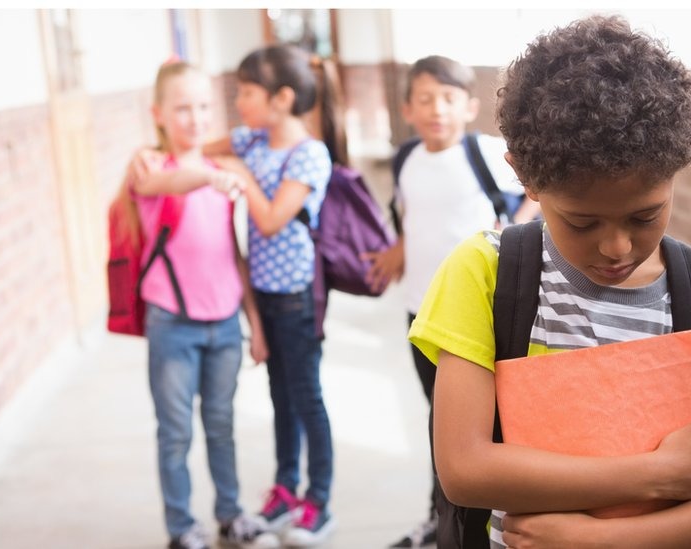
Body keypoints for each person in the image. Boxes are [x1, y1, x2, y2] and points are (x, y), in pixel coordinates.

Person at [407, 14, 691, 549]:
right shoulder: (485, 273)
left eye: (645, 215)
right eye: (582, 222)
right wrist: (655, 473)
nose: (617, 247)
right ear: (524, 177)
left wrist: (599, 540)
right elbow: (463, 469)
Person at [137, 45, 336, 548]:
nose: (234, 103)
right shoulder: (246, 142)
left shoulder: (306, 153)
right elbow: (194, 155)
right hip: (230, 305)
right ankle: (277, 492)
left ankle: (315, 499)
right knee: (268, 402)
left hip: (292, 298)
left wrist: (232, 174)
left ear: (280, 98)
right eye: (186, 107)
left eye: (245, 93)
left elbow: (262, 224)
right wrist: (166, 153)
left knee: (301, 399)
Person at [362, 55, 540, 548]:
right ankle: (441, 520)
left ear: (469, 107)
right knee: (439, 422)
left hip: (477, 319)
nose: (437, 109)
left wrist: (514, 227)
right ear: (408, 109)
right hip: (421, 313)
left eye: (448, 98)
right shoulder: (406, 159)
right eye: (425, 99)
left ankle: (481, 519)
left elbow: (537, 191)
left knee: (479, 427)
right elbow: (411, 217)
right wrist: (397, 252)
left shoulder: (486, 154)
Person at [123, 60, 271, 549]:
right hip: (173, 324)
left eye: (204, 106)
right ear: (158, 114)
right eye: (183, 108)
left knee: (221, 425)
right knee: (175, 432)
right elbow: (169, 185)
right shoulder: (150, 170)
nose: (196, 117)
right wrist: (209, 177)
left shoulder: (220, 173)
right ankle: (182, 526)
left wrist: (254, 323)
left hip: (224, 323)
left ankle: (230, 513)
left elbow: (233, 253)